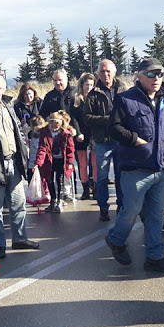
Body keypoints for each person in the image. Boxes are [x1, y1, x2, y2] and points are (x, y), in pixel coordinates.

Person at [104, 58, 164, 275]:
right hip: (135, 167)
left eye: (160, 74)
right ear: (139, 76)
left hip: (160, 167)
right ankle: (116, 239)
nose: (157, 78)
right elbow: (114, 128)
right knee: (132, 210)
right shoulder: (125, 99)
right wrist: (136, 140)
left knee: (157, 215)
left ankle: (155, 257)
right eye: (151, 74)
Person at [0, 74, 40, 259]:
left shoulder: (8, 106)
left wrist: (25, 155)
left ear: (4, 88)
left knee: (18, 204)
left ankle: (20, 239)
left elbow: (17, 130)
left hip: (14, 162)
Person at [84, 60, 127, 221]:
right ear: (98, 74)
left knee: (120, 175)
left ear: (114, 72)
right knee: (101, 177)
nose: (105, 74)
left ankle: (122, 206)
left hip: (120, 139)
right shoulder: (93, 93)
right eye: (102, 71)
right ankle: (103, 208)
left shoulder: (122, 88)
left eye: (108, 71)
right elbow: (87, 117)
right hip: (102, 141)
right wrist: (108, 120)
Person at [34, 110, 75, 213]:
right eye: (52, 123)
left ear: (61, 123)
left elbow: (70, 149)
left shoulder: (65, 134)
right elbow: (42, 148)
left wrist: (70, 162)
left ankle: (59, 201)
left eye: (56, 123)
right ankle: (53, 200)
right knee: (49, 180)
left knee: (60, 180)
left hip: (61, 160)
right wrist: (38, 162)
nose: (54, 126)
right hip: (49, 160)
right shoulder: (45, 133)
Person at [70, 72, 96, 200]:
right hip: (80, 134)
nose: (89, 87)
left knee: (95, 163)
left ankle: (95, 188)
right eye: (87, 84)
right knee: (82, 163)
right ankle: (85, 189)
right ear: (82, 85)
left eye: (91, 84)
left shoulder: (96, 97)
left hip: (94, 135)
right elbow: (73, 118)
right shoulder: (76, 99)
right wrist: (78, 133)